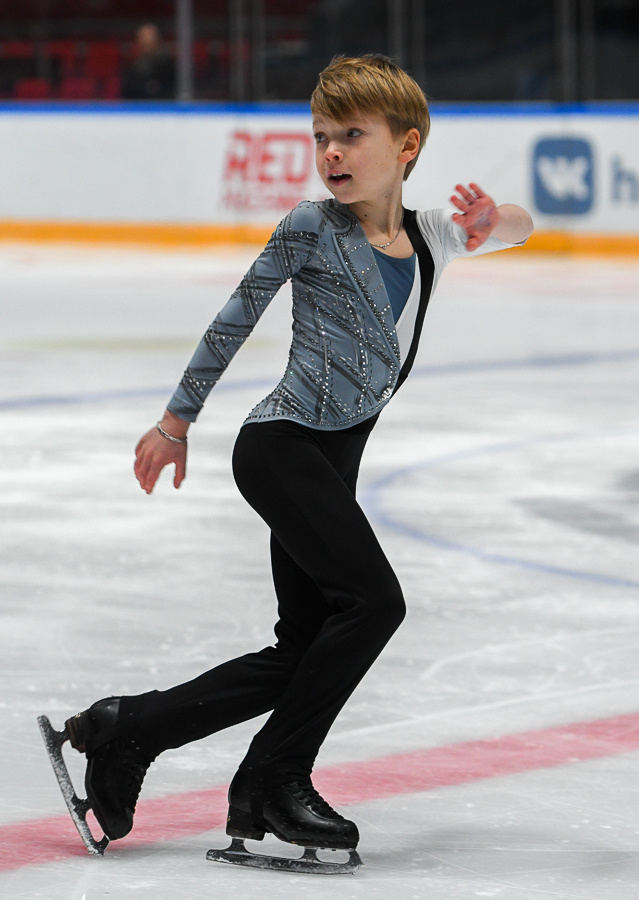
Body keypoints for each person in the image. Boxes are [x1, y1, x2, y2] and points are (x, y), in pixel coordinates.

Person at [57, 55, 533, 868]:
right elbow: (234, 316)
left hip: (332, 462)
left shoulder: (429, 236)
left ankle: (127, 731)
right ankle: (277, 777)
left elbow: (518, 225)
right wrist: (175, 422)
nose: (332, 153)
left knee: (303, 652)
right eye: (322, 137)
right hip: (281, 447)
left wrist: (495, 220)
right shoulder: (313, 227)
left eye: (352, 135)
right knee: (374, 603)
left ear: (406, 145)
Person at [121, 23, 176, 100]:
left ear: (158, 40)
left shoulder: (171, 67)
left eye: (150, 39)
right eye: (143, 39)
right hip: (139, 108)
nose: (147, 43)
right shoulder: (132, 69)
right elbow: (128, 92)